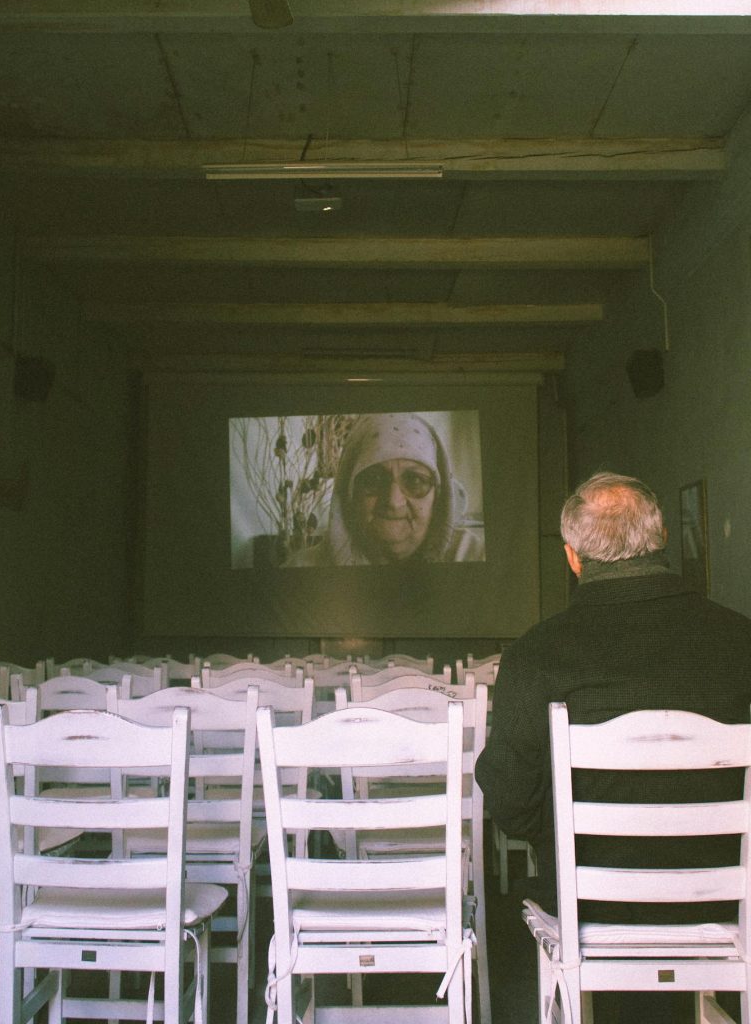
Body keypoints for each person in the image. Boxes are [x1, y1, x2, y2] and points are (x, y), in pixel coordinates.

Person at [475, 470, 751, 1020]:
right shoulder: (741, 640)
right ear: (662, 537)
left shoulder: (538, 653)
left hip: (591, 901)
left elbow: (508, 797)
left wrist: (562, 836)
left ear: (573, 557)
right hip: (730, 896)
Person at [284, 412, 484, 566]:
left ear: (439, 497)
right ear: (351, 493)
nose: (393, 501)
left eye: (415, 480)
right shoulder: (302, 569)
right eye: (373, 479)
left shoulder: (473, 556)